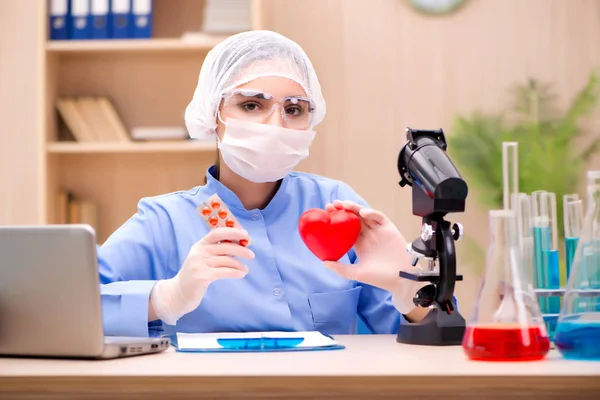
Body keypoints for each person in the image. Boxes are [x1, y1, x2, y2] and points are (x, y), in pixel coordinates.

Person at [98, 30, 435, 338]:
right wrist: (164, 298)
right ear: (212, 115)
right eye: (251, 104)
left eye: (294, 108)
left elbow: (437, 338)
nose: (276, 124)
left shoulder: (337, 206)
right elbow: (64, 307)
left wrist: (410, 289)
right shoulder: (165, 221)